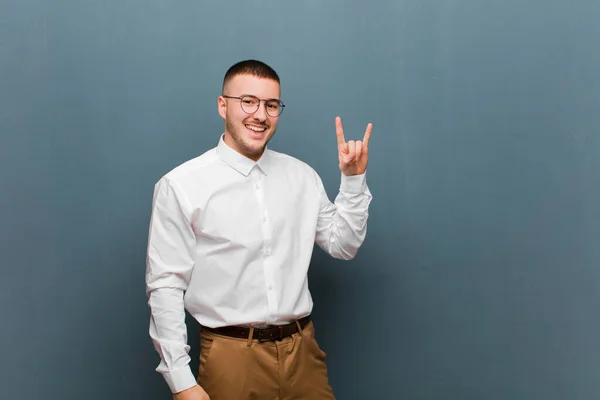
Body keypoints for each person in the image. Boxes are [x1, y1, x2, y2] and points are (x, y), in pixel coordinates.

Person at [145, 59, 373, 400]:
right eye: (247, 101)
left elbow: (344, 245)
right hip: (231, 358)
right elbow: (165, 285)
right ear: (223, 105)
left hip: (303, 355)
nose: (260, 114)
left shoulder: (301, 177)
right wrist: (181, 381)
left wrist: (353, 180)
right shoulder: (181, 185)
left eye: (271, 105)